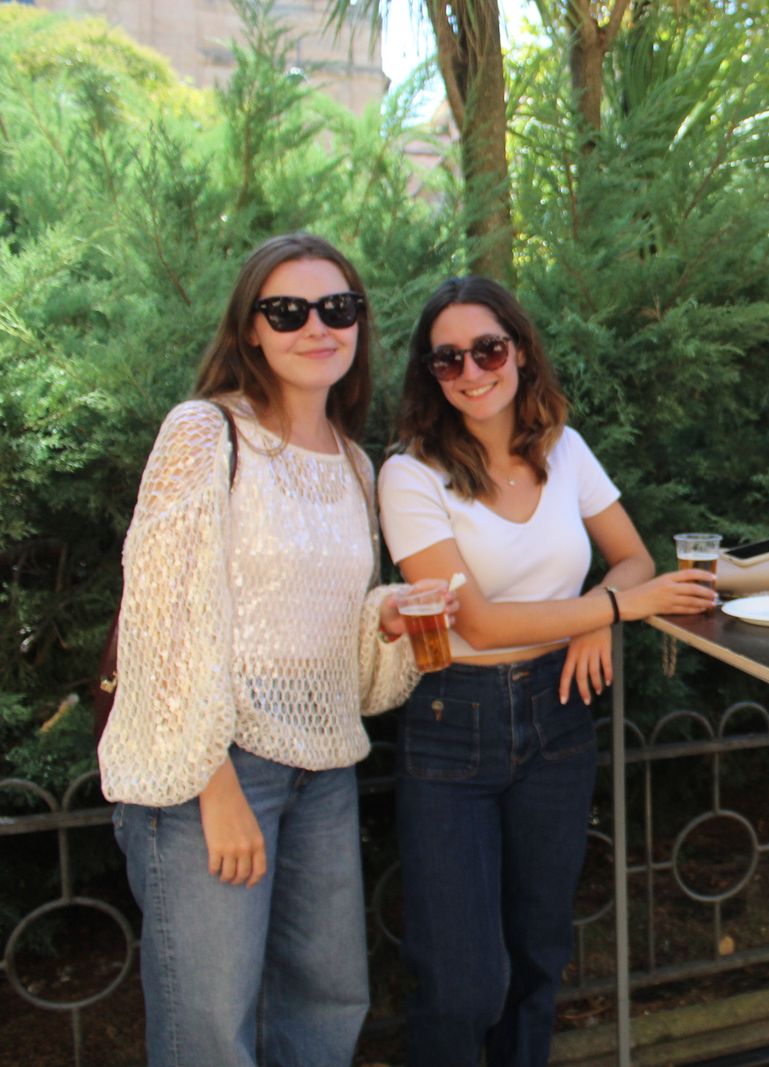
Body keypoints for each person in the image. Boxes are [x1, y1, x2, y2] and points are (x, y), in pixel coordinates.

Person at [98, 233, 449, 1067]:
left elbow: (326, 650)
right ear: (251, 328)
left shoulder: (358, 466)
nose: (317, 327)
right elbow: (161, 617)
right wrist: (211, 780)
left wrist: (384, 620)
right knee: (213, 1028)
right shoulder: (204, 432)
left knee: (327, 1002)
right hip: (211, 766)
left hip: (322, 770)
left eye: (339, 308)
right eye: (288, 311)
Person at [377, 276, 715, 1066]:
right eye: (448, 359)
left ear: (520, 352)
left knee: (536, 959)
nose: (471, 371)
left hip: (557, 713)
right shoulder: (411, 473)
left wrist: (600, 608)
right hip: (452, 723)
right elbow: (480, 620)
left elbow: (631, 558)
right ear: (432, 375)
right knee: (462, 980)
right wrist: (613, 611)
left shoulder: (562, 446)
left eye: (488, 349)